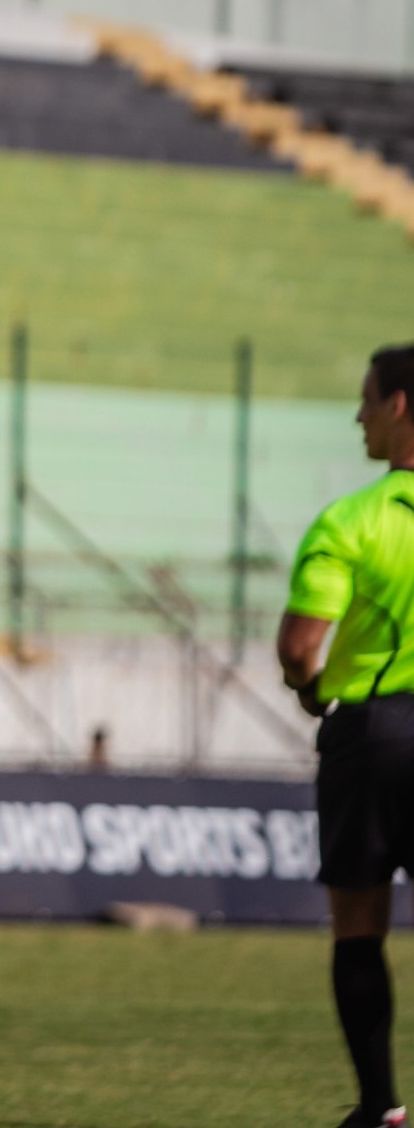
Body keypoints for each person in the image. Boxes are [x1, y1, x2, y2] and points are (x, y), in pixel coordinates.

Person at [278, 342, 414, 1128]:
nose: (357, 414)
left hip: (374, 735)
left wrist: (308, 693)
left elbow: (301, 647)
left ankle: (380, 1109)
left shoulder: (351, 520)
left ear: (398, 405)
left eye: (365, 398)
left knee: (358, 924)